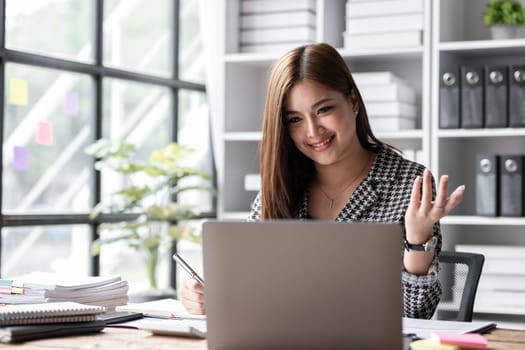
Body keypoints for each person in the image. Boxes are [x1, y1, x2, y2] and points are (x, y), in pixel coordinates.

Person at [179, 42, 465, 319]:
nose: (313, 131)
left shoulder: (407, 183)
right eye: (295, 119)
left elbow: (415, 314)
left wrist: (417, 242)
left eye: (323, 110)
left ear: (352, 100)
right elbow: (248, 287)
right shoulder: (280, 186)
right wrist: (208, 295)